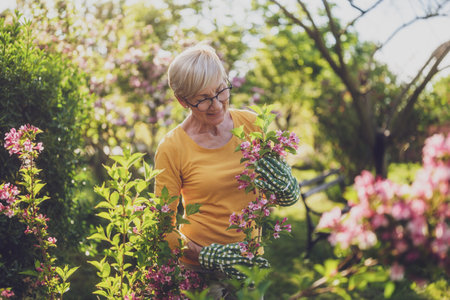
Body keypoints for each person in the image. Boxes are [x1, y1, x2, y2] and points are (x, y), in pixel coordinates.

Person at [154, 44, 299, 299]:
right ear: (183, 100)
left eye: (221, 90)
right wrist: (207, 255)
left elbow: (277, 194)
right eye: (203, 99)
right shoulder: (172, 147)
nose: (217, 105)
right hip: (197, 270)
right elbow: (163, 227)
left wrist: (286, 188)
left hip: (249, 264)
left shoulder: (252, 125)